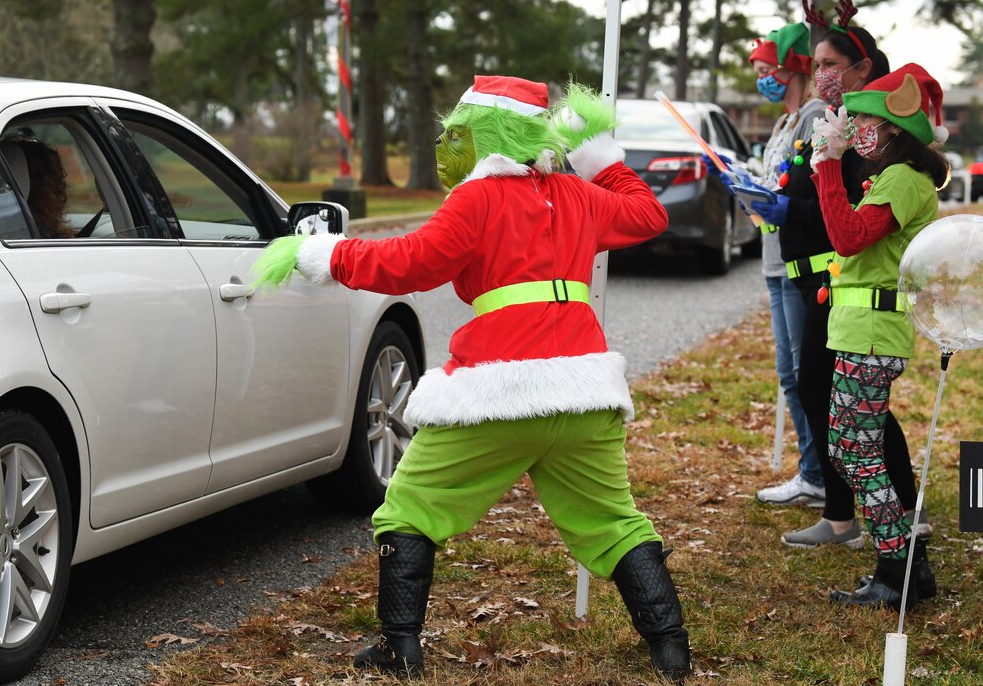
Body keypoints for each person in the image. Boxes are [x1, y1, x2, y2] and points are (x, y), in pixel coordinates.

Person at [250, 76, 692, 682]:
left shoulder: (477, 198)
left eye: (456, 133)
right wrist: (601, 162)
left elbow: (407, 263)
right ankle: (671, 650)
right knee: (615, 522)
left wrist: (325, 254)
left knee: (407, 510)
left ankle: (399, 649)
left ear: (482, 135)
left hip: (497, 392)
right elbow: (649, 214)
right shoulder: (577, 195)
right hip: (585, 389)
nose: (448, 146)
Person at [767, 0, 926, 554]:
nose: (820, 76)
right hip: (840, 299)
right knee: (841, 425)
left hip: (860, 308)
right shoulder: (855, 142)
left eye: (832, 65)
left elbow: (850, 233)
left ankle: (901, 538)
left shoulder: (893, 168)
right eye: (816, 65)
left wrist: (827, 168)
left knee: (859, 431)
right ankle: (875, 530)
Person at [809, 62, 948, 611]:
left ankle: (903, 570)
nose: (855, 125)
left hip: (872, 337)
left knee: (859, 454)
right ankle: (902, 564)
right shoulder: (893, 178)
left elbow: (847, 237)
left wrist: (827, 163)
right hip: (859, 332)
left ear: (895, 129)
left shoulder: (903, 180)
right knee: (848, 450)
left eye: (865, 117)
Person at [745, 22, 828, 508]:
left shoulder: (814, 116)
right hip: (774, 260)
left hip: (802, 261)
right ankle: (812, 471)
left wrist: (771, 198)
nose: (763, 80)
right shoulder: (783, 122)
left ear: (790, 67)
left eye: (765, 70)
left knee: (805, 371)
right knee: (790, 371)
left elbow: (803, 186)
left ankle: (817, 474)